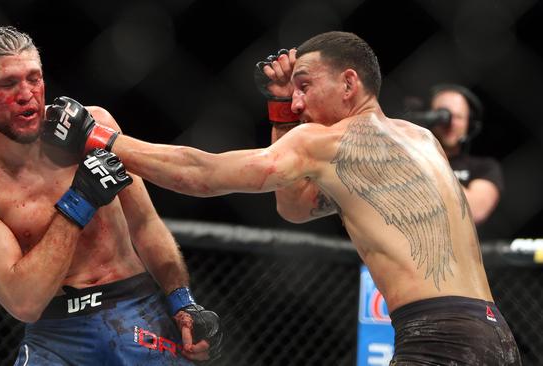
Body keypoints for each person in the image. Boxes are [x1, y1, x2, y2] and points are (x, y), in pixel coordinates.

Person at [65, 31, 522, 365]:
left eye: (305, 86)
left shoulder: (331, 143)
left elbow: (201, 172)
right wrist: (281, 111)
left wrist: (99, 138)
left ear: (349, 84)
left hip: (438, 338)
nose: (298, 104)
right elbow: (296, 207)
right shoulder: (421, 138)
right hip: (494, 333)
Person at [0, 24, 222, 365]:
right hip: (56, 336)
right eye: (8, 84)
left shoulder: (92, 125)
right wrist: (79, 201)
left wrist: (182, 302)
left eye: (34, 78)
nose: (26, 94)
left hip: (139, 311)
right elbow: (23, 301)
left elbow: (145, 225)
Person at [427, 84, 504, 225]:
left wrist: (431, 164)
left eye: (458, 117)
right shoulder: (408, 157)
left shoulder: (484, 167)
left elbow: (475, 211)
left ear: (470, 123)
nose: (450, 122)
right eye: (442, 114)